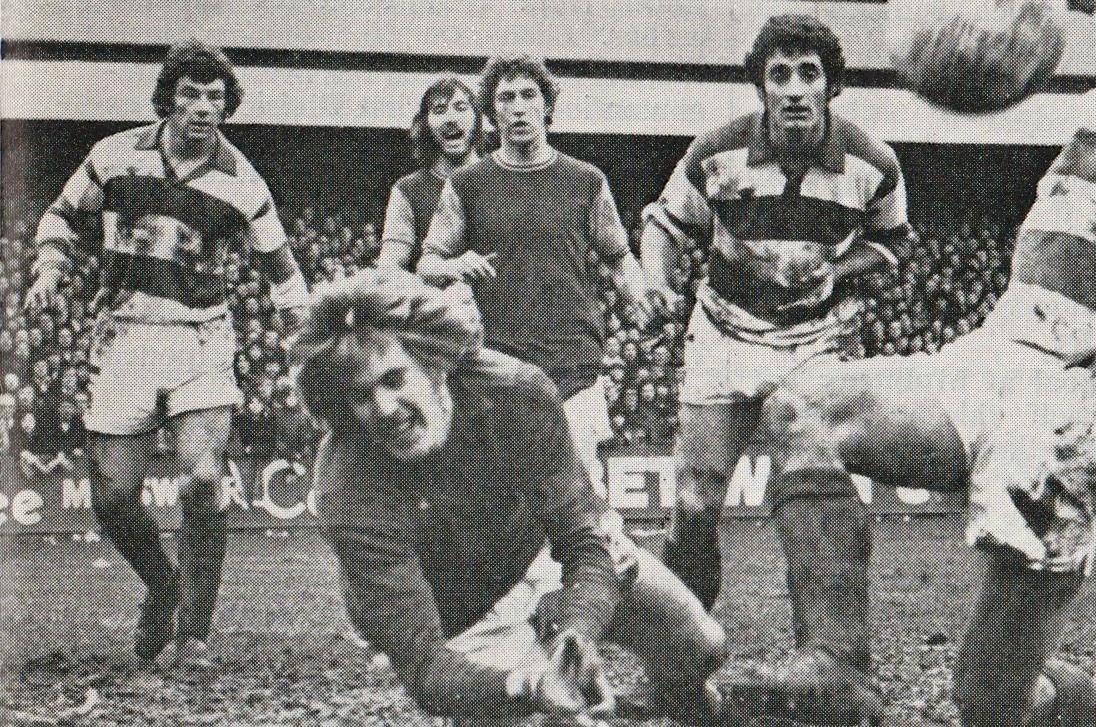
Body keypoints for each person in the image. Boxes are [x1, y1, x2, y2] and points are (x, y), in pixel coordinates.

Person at [725, 0, 1096, 724]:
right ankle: (835, 666)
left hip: (1079, 405)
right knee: (805, 407)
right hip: (994, 361)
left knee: (989, 699)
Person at [292, 270, 726, 726]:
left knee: (702, 647)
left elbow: (587, 538)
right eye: (360, 396)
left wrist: (575, 636)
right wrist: (533, 685)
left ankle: (669, 700)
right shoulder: (343, 490)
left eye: (394, 379)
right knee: (559, 719)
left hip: (548, 563)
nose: (384, 409)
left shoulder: (515, 392)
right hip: (467, 625)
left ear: (434, 358)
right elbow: (424, 669)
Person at [25, 40, 311, 668]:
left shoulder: (244, 184)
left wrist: (310, 332)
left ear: (227, 107)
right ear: (167, 101)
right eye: (190, 94)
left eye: (215, 96)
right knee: (114, 496)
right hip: (124, 332)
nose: (203, 107)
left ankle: (195, 632)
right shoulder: (113, 156)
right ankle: (165, 583)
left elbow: (283, 273)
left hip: (201, 334)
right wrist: (49, 268)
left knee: (203, 476)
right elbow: (62, 216)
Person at [639, 13, 912, 612]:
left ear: (832, 87)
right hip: (724, 332)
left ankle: (829, 659)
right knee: (694, 495)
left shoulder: (873, 163)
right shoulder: (717, 152)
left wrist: (837, 271)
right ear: (760, 87)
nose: (793, 89)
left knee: (817, 491)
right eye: (779, 74)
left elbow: (892, 245)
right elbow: (663, 221)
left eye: (808, 74)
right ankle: (688, 650)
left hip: (820, 341)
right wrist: (655, 280)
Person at [419, 56, 656, 496]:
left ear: (547, 107)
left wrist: (639, 292)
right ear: (490, 114)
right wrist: (453, 265)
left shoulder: (586, 180)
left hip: (574, 366)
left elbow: (619, 256)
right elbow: (427, 263)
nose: (518, 108)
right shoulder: (468, 182)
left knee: (584, 508)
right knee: (502, 514)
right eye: (505, 98)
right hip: (498, 368)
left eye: (529, 95)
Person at [376, 75, 481, 272]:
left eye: (460, 108)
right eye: (440, 110)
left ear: (477, 118)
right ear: (425, 124)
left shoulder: (500, 175)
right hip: (431, 300)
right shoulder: (408, 189)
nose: (451, 118)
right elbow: (389, 269)